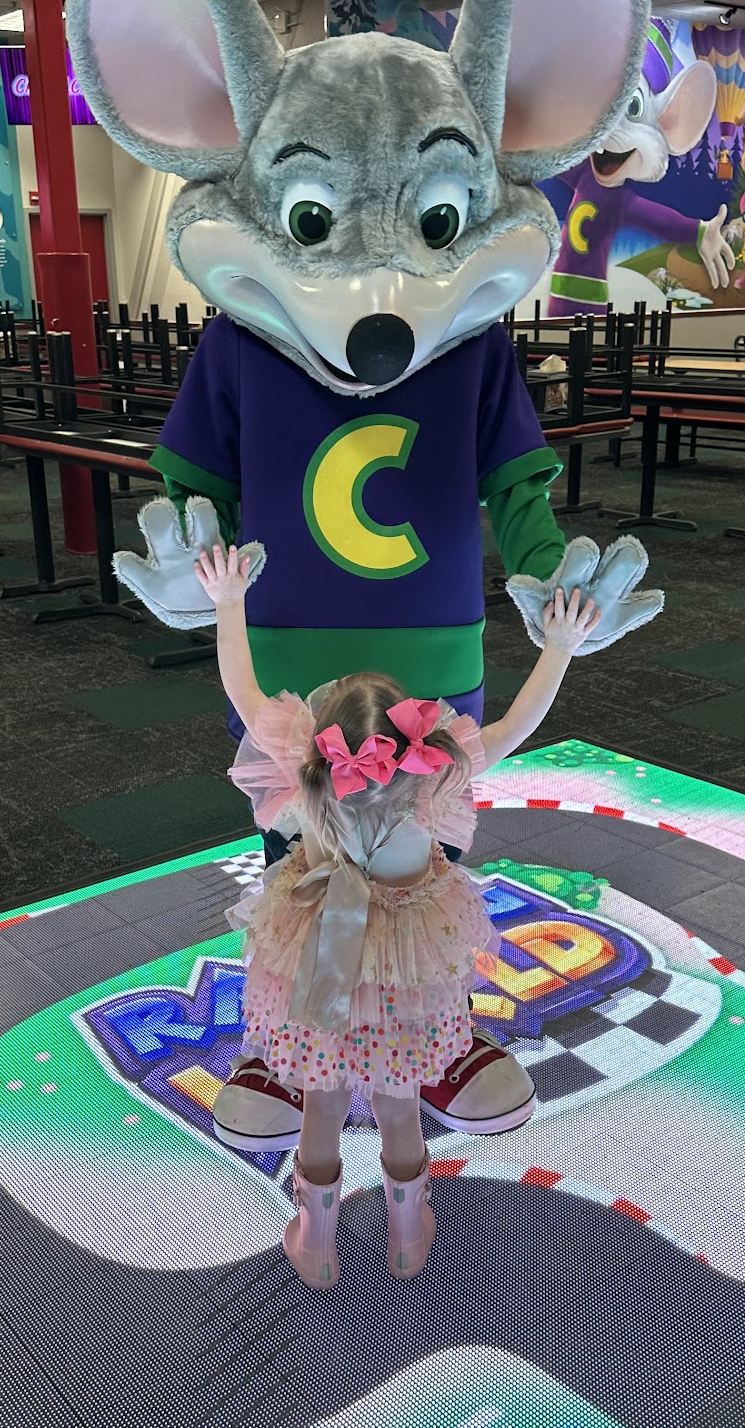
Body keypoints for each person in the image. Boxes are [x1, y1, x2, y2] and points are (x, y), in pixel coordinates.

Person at [195, 541, 602, 1288]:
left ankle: (316, 1237)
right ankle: (409, 1232)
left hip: (319, 955)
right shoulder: (438, 775)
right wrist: (561, 647)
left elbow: (242, 687)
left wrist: (229, 602)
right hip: (406, 973)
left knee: (321, 1105)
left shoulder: (301, 770)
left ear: (318, 742)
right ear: (418, 740)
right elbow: (519, 723)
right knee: (399, 1104)